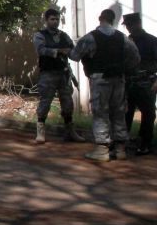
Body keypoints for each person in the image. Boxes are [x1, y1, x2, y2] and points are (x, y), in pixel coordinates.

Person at [69, 9, 141, 161]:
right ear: (113, 20)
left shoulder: (90, 37)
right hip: (119, 79)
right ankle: (120, 149)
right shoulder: (122, 38)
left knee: (101, 112)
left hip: (100, 79)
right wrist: (122, 68)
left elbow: (74, 55)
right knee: (119, 111)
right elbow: (135, 58)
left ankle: (102, 149)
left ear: (100, 18)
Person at [32, 9, 84, 143]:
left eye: (57, 19)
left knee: (67, 104)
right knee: (45, 102)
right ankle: (40, 132)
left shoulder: (64, 36)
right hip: (48, 73)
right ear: (46, 20)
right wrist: (59, 51)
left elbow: (73, 53)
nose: (55, 22)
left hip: (63, 73)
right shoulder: (40, 35)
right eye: (52, 19)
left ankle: (70, 131)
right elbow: (41, 50)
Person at [122, 12, 157, 156]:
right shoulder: (126, 42)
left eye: (131, 25)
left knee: (148, 113)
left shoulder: (151, 41)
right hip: (128, 82)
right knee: (125, 113)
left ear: (138, 24)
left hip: (146, 82)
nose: (129, 28)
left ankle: (145, 143)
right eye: (127, 26)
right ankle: (122, 142)